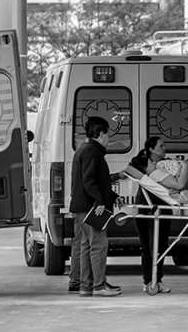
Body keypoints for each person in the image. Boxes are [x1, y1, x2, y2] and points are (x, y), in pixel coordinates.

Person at [128, 136, 188, 294]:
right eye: (161, 146)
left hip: (148, 207)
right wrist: (184, 166)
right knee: (154, 246)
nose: (164, 148)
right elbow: (179, 185)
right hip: (153, 209)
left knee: (154, 246)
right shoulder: (154, 170)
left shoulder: (155, 166)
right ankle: (152, 280)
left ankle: (152, 280)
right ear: (151, 149)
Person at [69, 116, 121, 297]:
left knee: (86, 245)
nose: (109, 139)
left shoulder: (84, 149)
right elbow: (89, 180)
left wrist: (112, 197)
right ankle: (99, 286)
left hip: (82, 206)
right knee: (99, 244)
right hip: (91, 207)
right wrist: (100, 201)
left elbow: (99, 181)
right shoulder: (92, 151)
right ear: (100, 134)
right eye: (108, 135)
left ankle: (86, 286)